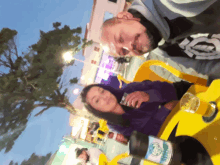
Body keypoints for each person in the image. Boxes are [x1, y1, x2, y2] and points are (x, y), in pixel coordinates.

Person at [100, 0, 220, 83]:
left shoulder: (171, 3)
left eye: (121, 38)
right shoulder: (160, 48)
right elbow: (202, 66)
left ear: (125, 16)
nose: (129, 47)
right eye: (124, 52)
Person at [80, 80, 192, 138]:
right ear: (96, 110)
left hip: (183, 97)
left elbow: (169, 89)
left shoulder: (130, 90)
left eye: (102, 91)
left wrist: (149, 96)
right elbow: (149, 136)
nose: (105, 97)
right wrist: (164, 111)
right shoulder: (115, 124)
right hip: (173, 129)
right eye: (97, 100)